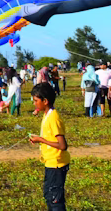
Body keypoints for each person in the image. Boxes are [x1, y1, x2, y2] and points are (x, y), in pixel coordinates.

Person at [29, 83, 70, 211]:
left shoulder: (53, 118)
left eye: (36, 101)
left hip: (57, 163)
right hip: (50, 162)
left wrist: (41, 140)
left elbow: (62, 145)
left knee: (55, 199)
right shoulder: (47, 114)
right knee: (48, 194)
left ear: (45, 101)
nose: (34, 104)